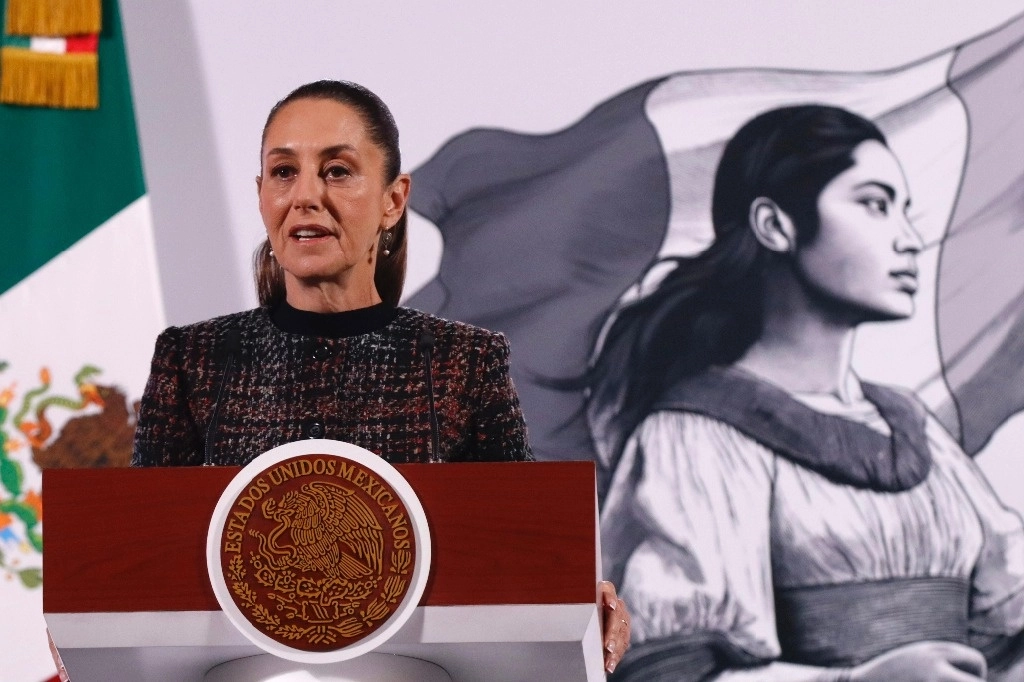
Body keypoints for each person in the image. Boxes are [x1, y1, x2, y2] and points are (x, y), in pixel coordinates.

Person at [131, 79, 630, 672]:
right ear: (261, 194)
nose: (306, 196)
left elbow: (515, 556)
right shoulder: (193, 360)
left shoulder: (463, 362)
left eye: (337, 171)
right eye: (283, 172)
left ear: (394, 201)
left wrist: (575, 598)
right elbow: (141, 565)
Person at [589, 105, 1024, 681]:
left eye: (905, 211)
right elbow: (663, 668)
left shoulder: (910, 424)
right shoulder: (694, 435)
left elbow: (1008, 616)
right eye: (875, 204)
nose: (911, 240)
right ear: (775, 225)